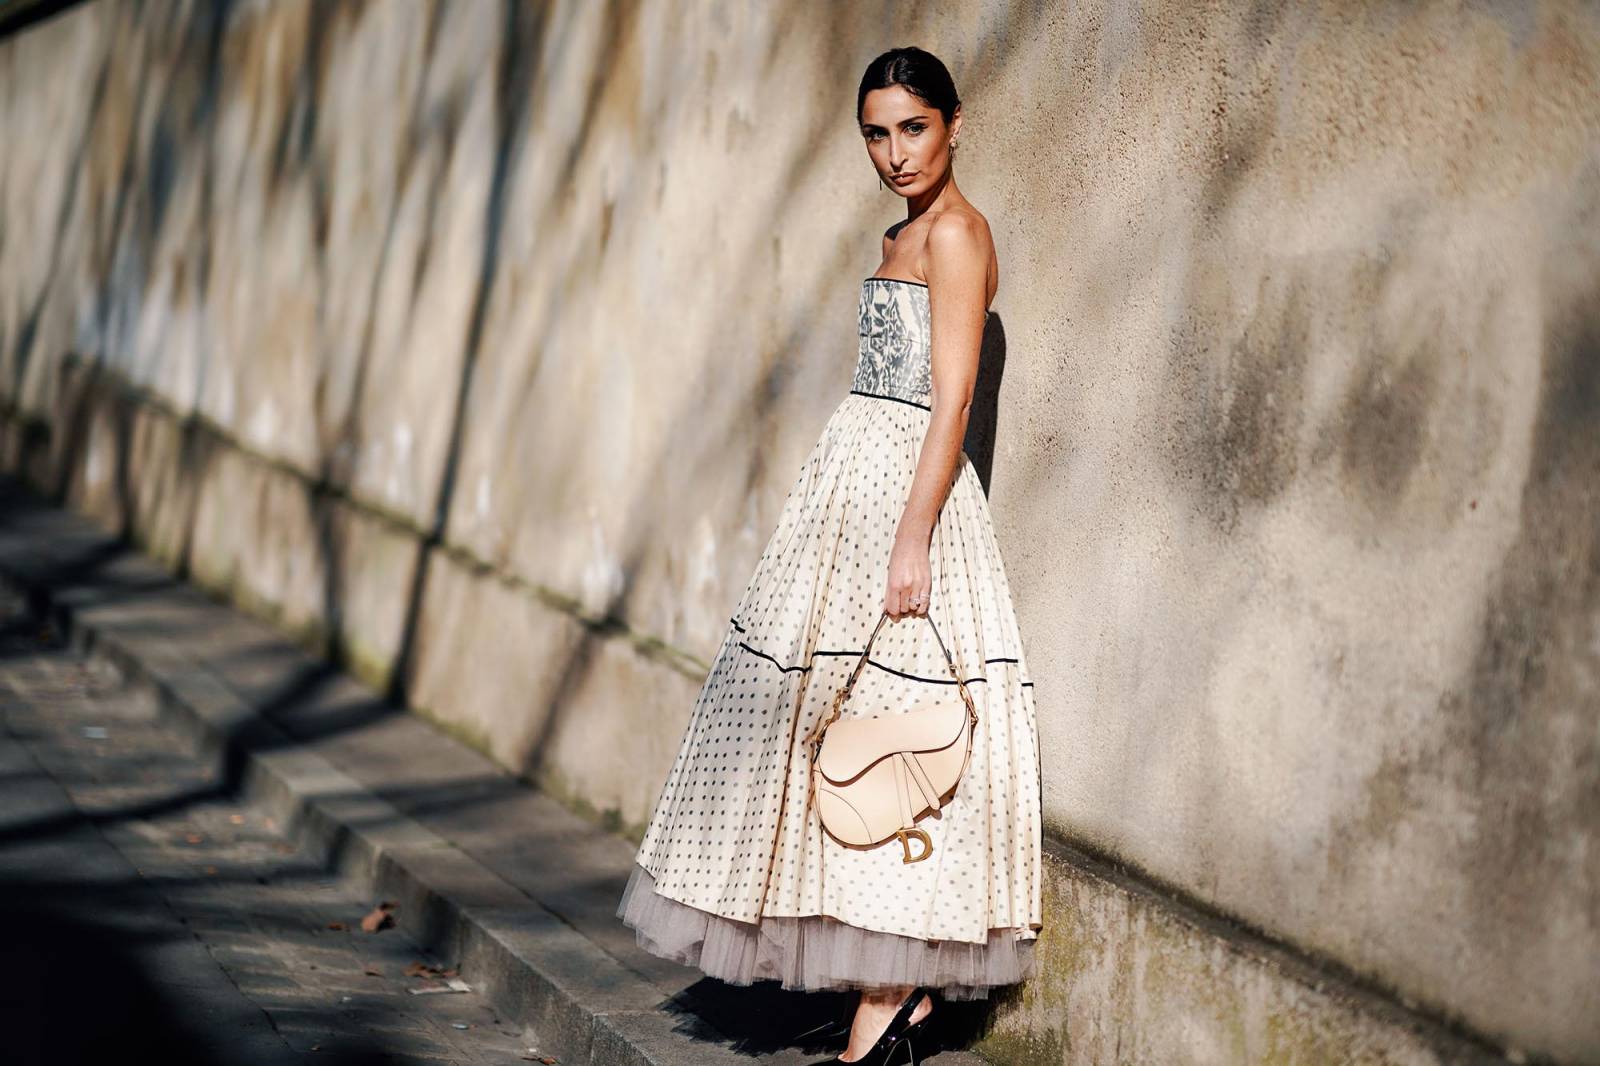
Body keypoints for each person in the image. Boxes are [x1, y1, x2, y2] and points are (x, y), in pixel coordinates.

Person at [616, 45, 1044, 1065]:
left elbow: (952, 399)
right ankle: (881, 991)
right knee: (820, 732)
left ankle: (890, 1004)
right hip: (845, 492)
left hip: (905, 501)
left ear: (953, 125)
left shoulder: (958, 235)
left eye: (913, 128)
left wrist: (911, 537)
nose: (895, 153)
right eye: (876, 132)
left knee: (896, 734)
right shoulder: (899, 232)